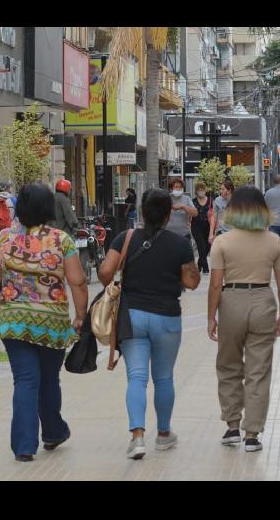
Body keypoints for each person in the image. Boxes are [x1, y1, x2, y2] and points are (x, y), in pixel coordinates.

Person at [0, 183, 88, 462]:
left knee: (25, 380)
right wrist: (80, 315)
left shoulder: (3, 238)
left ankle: (24, 446)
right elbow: (77, 281)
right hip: (51, 321)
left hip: (14, 321)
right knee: (49, 379)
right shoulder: (61, 240)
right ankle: (53, 431)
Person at [98, 189, 201, 460]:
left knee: (137, 377)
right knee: (164, 377)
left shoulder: (125, 238)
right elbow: (192, 281)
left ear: (142, 212)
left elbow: (106, 272)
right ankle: (164, 435)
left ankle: (137, 437)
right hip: (167, 315)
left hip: (132, 315)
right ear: (169, 214)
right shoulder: (179, 243)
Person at [207, 185, 280, 453]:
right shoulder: (274, 241)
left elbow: (215, 286)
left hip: (231, 301)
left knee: (229, 365)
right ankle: (252, 434)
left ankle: (232, 426)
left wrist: (211, 317)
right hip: (263, 300)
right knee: (258, 370)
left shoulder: (222, 242)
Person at [191, 182, 213, 274]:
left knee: (207, 247)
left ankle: (199, 265)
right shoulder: (193, 201)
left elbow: (213, 215)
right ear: (196, 191)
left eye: (202, 190)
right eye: (199, 190)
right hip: (196, 226)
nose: (201, 192)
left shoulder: (211, 201)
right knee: (201, 246)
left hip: (208, 226)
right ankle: (206, 268)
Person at [209, 180, 235, 244]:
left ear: (229, 190)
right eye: (220, 189)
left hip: (233, 233)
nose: (221, 191)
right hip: (220, 232)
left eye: (223, 189)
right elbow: (214, 217)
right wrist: (211, 233)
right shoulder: (218, 200)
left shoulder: (237, 201)